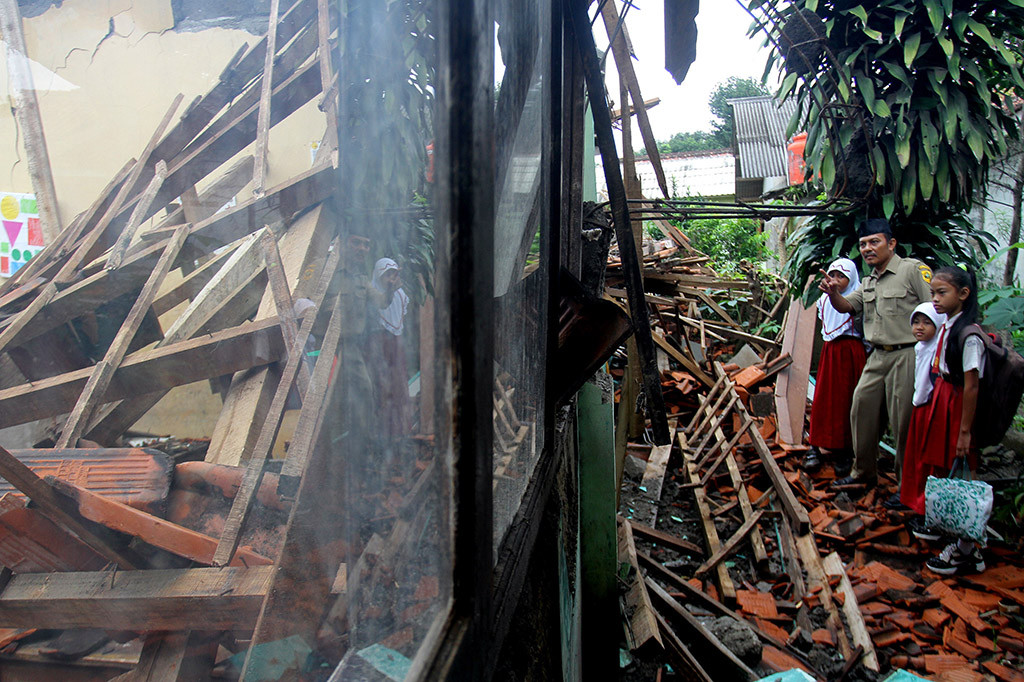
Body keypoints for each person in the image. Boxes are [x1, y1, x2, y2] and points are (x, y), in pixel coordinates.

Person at [818, 219, 932, 507]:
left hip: (907, 354)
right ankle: (863, 473)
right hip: (877, 355)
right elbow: (847, 306)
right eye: (863, 245)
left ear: (891, 244)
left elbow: (935, 309)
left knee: (903, 421)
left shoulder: (912, 271)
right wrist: (833, 293)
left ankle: (907, 487)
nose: (867, 249)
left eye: (874, 242)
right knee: (861, 408)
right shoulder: (869, 282)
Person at [910, 267, 986, 575]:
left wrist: (964, 431)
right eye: (933, 293)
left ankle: (967, 549)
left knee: (963, 468)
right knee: (944, 464)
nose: (935, 299)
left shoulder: (969, 336)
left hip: (957, 404)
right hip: (944, 399)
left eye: (942, 293)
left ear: (963, 294)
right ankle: (949, 529)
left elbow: (972, 386)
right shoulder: (949, 326)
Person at [805, 258, 866, 475]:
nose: (836, 280)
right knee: (824, 398)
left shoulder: (859, 297)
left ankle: (845, 451)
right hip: (831, 352)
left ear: (852, 278)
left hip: (851, 352)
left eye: (842, 276)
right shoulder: (823, 300)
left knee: (847, 400)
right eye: (833, 275)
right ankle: (815, 445)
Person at [898, 302, 947, 516]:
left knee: (926, 459)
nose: (920, 327)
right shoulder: (921, 347)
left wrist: (919, 400)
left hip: (929, 407)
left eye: (927, 323)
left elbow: (928, 383)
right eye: (916, 322)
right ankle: (912, 499)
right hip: (921, 406)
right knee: (915, 456)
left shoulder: (937, 350)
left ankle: (923, 505)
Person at [369, 257, 411, 439]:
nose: (391, 279)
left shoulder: (400, 295)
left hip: (396, 345)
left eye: (394, 275)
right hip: (379, 344)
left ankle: (402, 432)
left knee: (399, 385)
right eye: (387, 275)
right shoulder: (373, 294)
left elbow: (399, 321)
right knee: (383, 388)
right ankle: (385, 435)